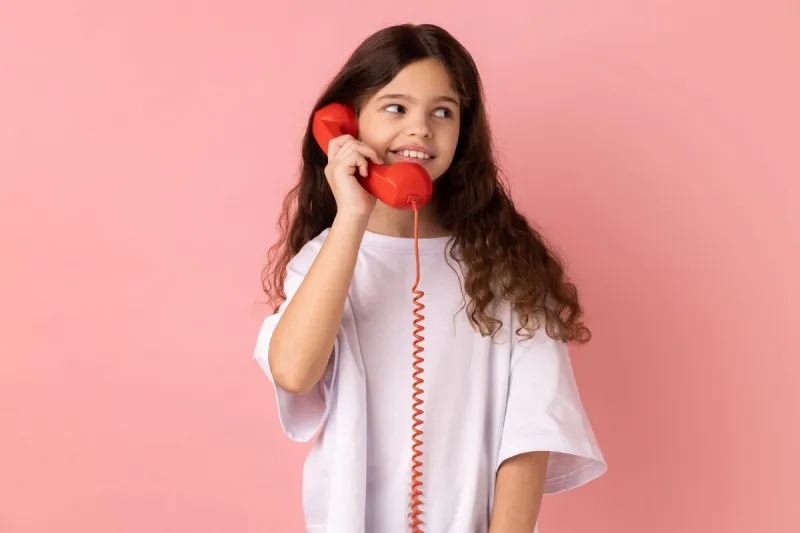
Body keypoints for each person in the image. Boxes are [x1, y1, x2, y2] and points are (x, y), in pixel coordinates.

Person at [253, 23, 606, 533]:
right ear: (346, 125)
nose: (420, 129)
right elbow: (293, 372)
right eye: (396, 108)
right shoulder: (323, 261)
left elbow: (530, 433)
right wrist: (352, 216)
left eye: (442, 112)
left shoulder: (507, 268)